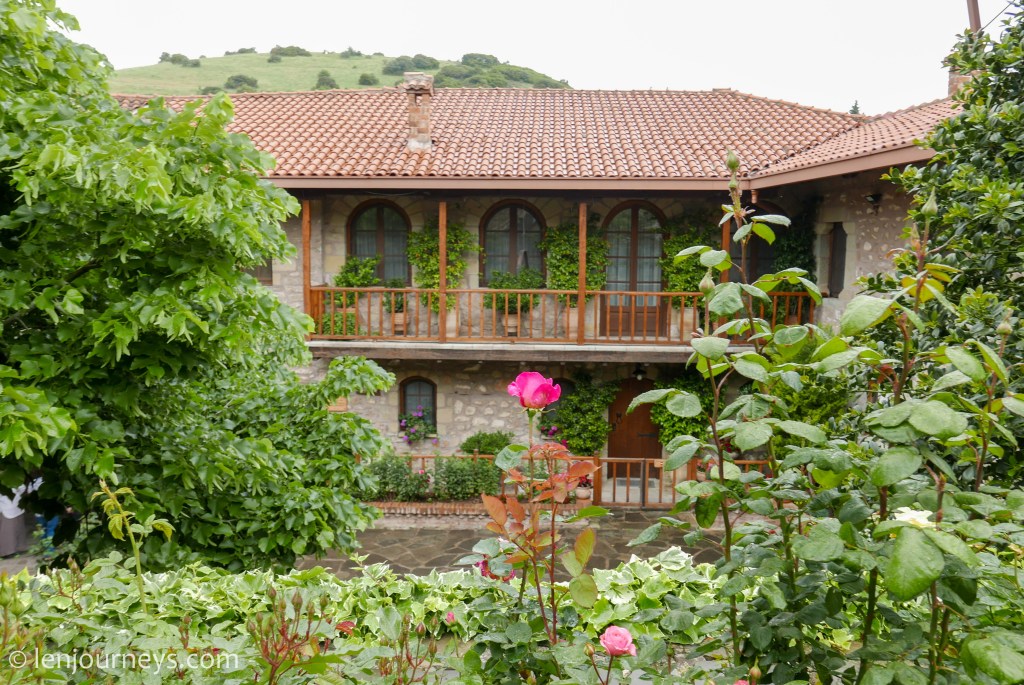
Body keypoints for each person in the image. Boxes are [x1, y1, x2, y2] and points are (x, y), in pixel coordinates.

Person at [0, 479, 40, 557]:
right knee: (7, 531)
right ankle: (7, 552)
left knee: (19, 529)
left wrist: (17, 489)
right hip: (6, 508)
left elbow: (22, 487)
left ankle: (20, 547)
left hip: (18, 507)